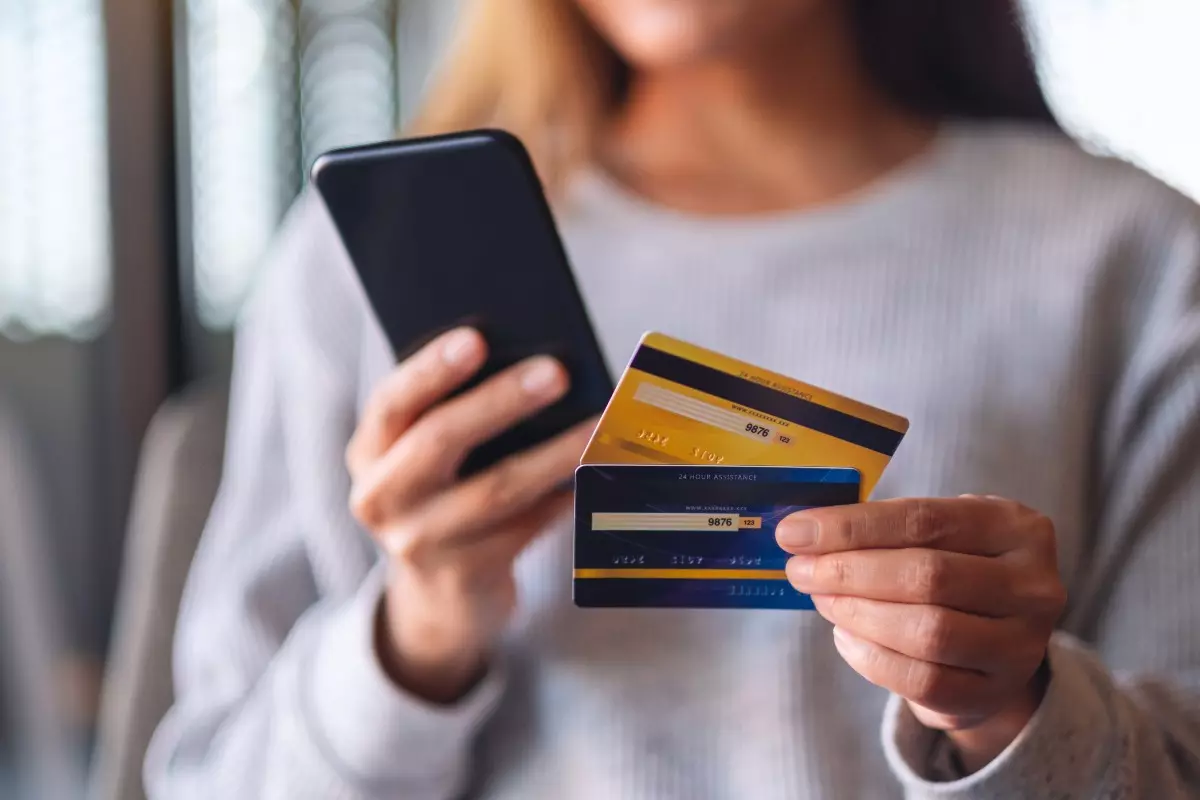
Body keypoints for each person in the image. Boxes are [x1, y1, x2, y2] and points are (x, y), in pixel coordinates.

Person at [146, 0, 1200, 797]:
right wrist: (413, 633)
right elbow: (208, 775)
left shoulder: (1134, 257)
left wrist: (1011, 711)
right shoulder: (358, 264)